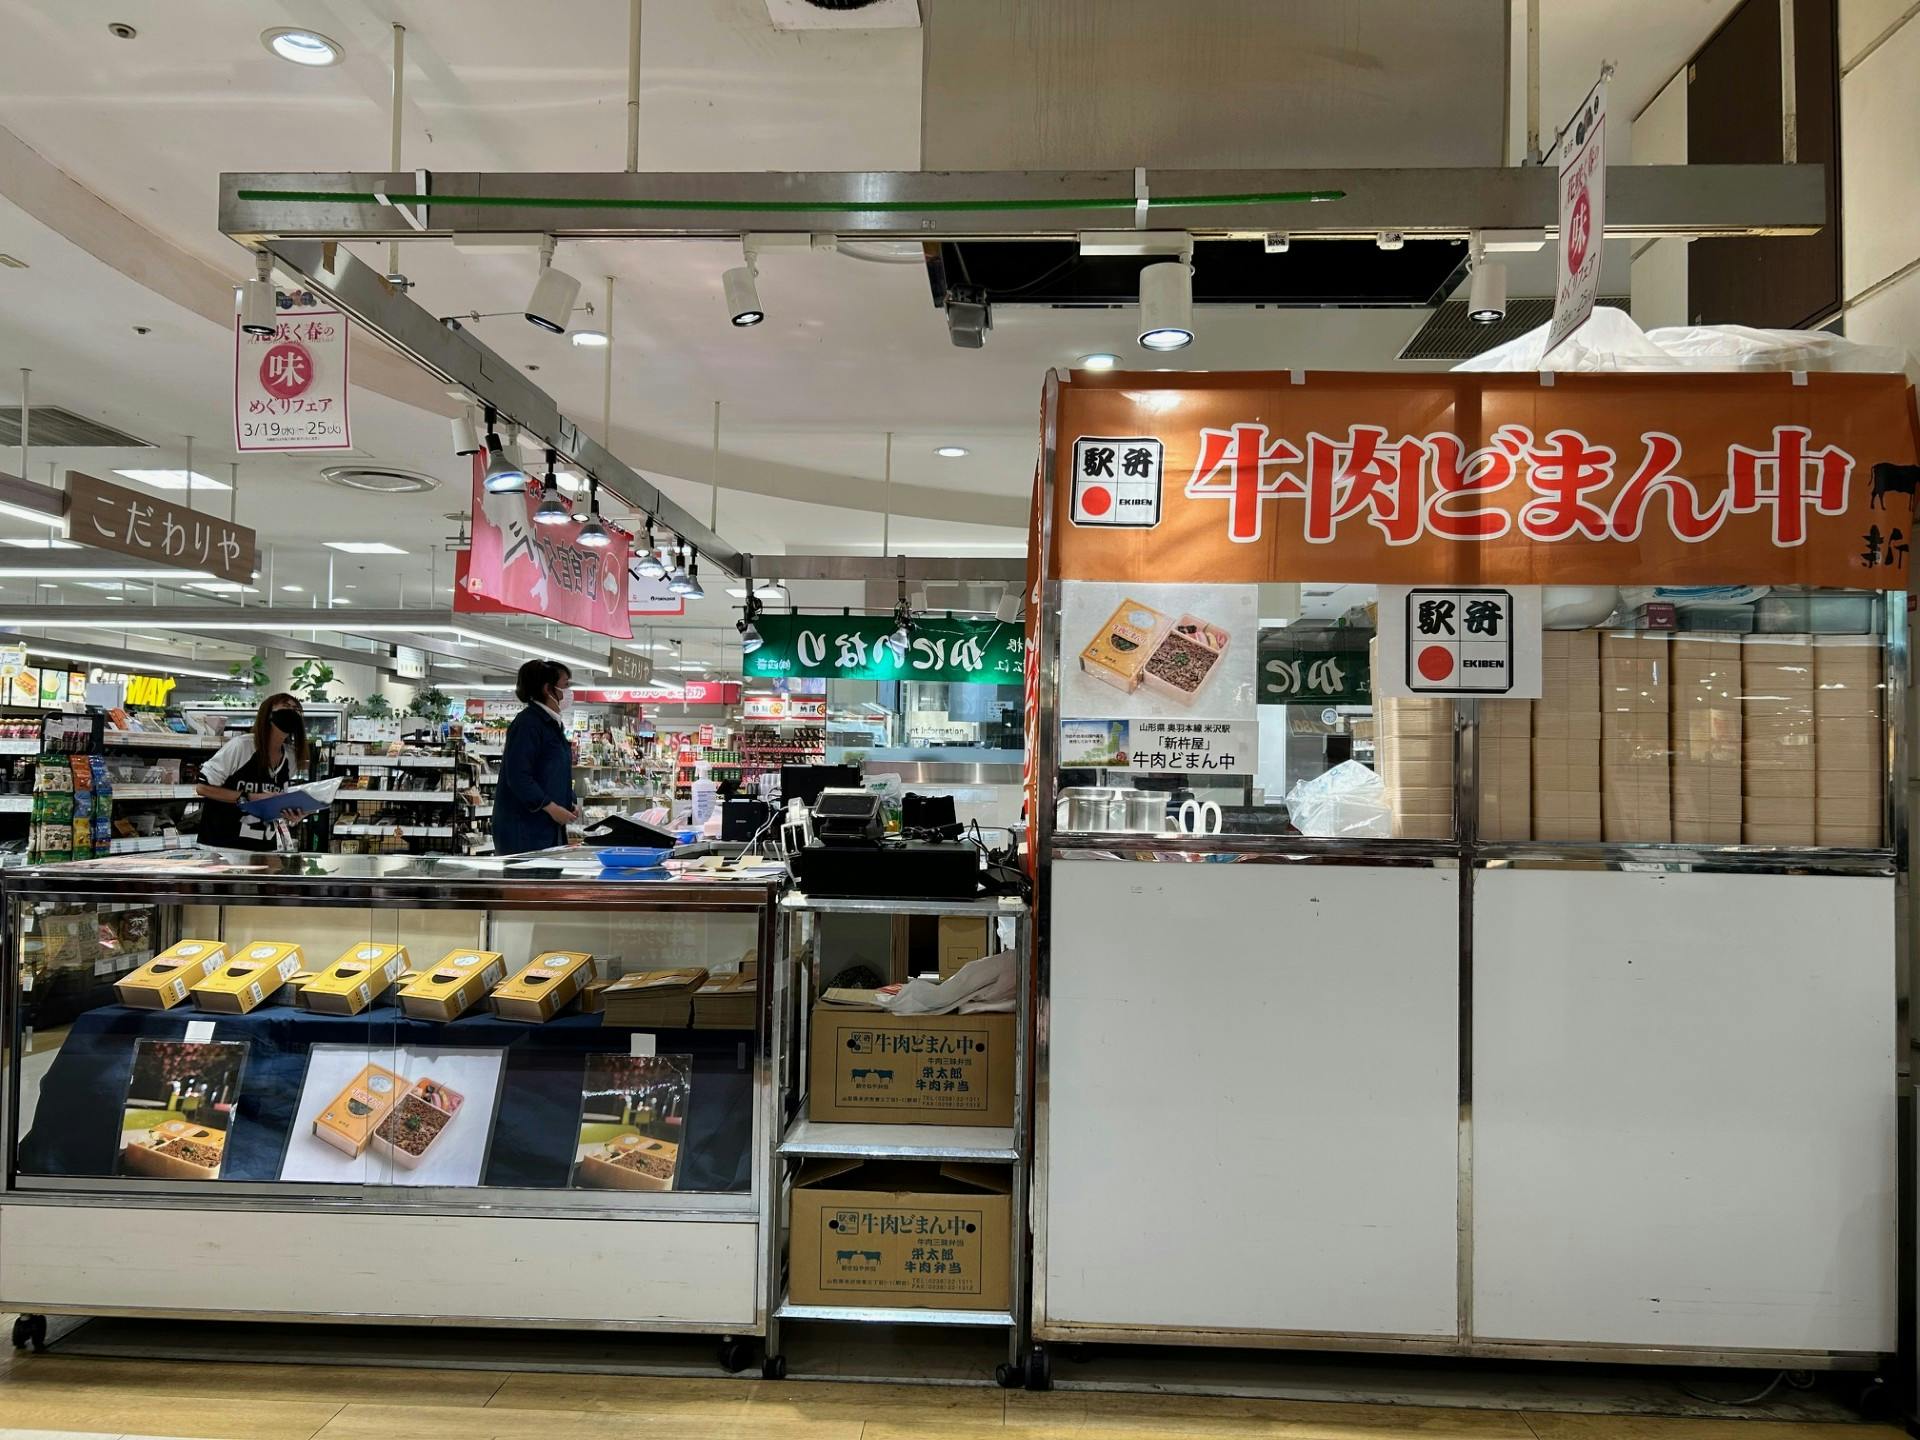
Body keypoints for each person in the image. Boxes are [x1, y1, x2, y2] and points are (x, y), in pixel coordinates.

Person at [196, 692, 307, 851]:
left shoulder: (291, 757)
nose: (292, 712)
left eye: (296, 709)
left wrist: (292, 814)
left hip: (265, 847)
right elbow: (202, 788)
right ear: (268, 714)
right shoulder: (241, 746)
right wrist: (248, 797)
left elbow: (273, 802)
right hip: (223, 845)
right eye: (286, 706)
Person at [493, 659, 579, 855]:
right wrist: (550, 807)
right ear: (548, 689)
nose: (569, 692)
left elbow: (555, 771)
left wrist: (569, 801)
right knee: (530, 874)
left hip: (547, 828)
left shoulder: (552, 724)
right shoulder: (528, 725)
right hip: (524, 830)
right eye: (565, 685)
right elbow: (518, 776)